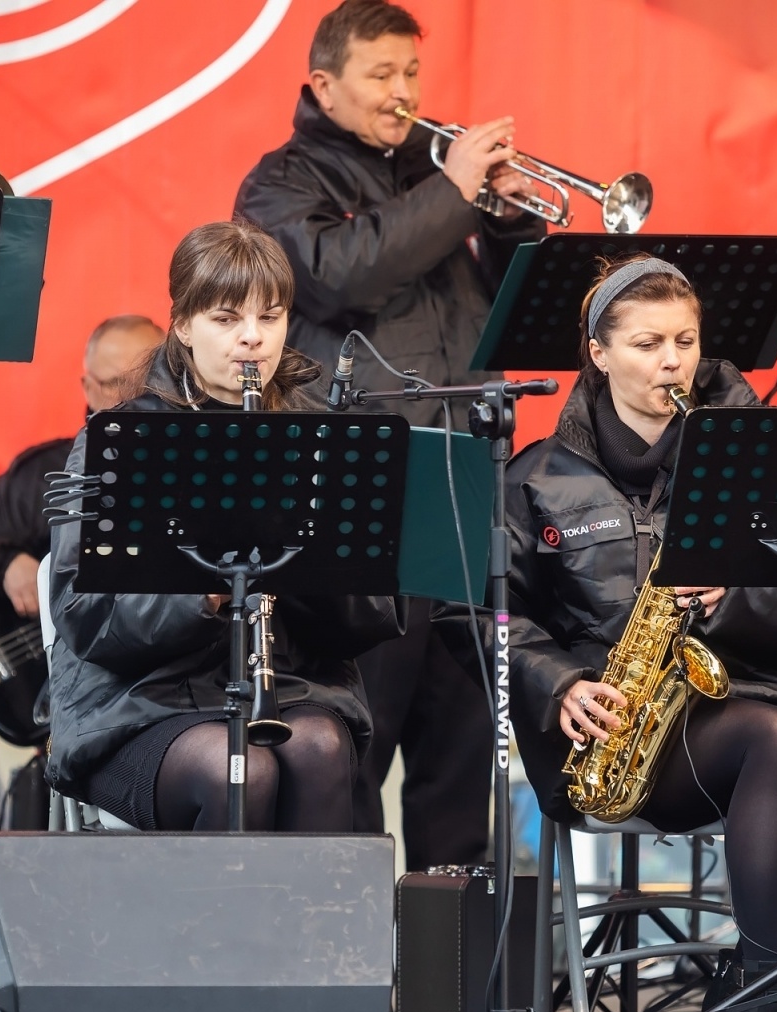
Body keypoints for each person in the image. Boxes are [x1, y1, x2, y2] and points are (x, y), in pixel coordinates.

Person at [495, 255, 777, 1012]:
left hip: (748, 688)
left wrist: (733, 599)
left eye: (686, 341)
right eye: (649, 343)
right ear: (598, 352)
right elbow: (488, 617)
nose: (673, 361)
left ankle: (746, 987)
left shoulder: (746, 468)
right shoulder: (535, 479)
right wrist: (557, 683)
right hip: (615, 725)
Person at [236, 0, 545, 870]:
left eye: (412, 71)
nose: (403, 91)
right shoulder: (280, 182)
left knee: (462, 750)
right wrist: (452, 194)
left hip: (466, 483)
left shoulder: (434, 177)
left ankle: (454, 979)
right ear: (323, 85)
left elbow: (516, 314)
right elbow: (339, 275)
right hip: (366, 493)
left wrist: (510, 218)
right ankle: (358, 966)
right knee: (360, 739)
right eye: (382, 74)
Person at [44, 220, 404, 832]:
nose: (252, 339)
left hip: (288, 689)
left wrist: (306, 569)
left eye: (270, 317)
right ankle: (219, 933)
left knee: (320, 749)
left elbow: (372, 613)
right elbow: (85, 612)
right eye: (226, 319)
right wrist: (207, 594)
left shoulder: (321, 437)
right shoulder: (125, 440)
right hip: (137, 706)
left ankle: (308, 933)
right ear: (182, 325)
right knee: (240, 768)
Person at [0, 315, 162, 625]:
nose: (131, 397)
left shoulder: (196, 468)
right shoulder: (45, 472)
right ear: (88, 388)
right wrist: (5, 563)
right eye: (116, 383)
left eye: (145, 381)